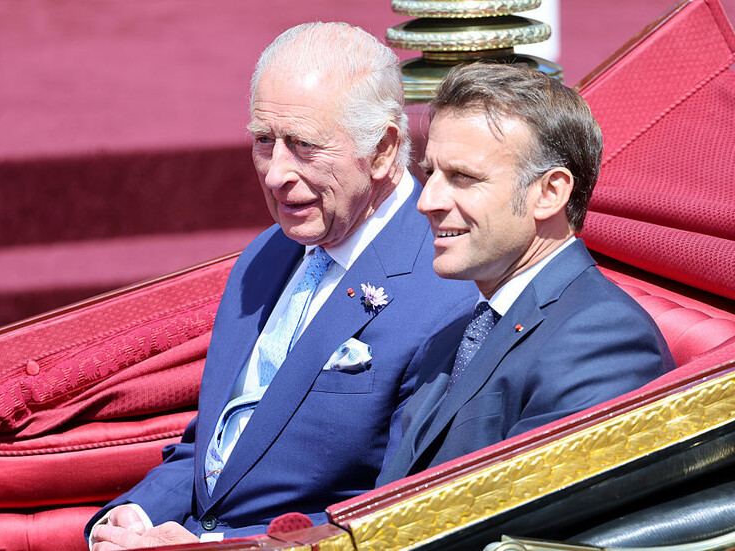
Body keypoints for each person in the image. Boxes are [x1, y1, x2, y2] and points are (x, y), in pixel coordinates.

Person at [86, 22, 476, 548]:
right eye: (264, 141)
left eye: (304, 145)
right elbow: (219, 450)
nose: (275, 174)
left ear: (383, 150)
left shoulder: (446, 286)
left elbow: (400, 516)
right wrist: (132, 515)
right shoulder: (267, 254)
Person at [376, 63, 676, 485]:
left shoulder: (601, 338)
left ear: (549, 193)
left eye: (463, 177)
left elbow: (540, 510)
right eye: (430, 173)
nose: (427, 201)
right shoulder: (456, 333)